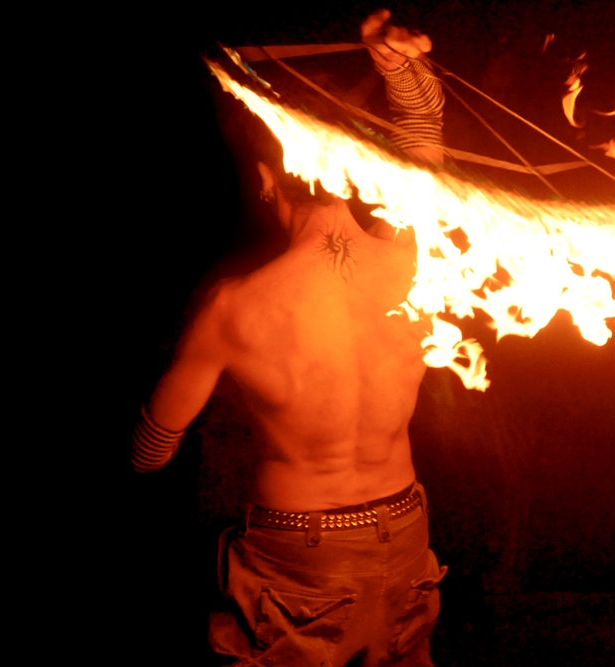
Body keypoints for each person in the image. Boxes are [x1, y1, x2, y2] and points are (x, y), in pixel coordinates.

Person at [132, 10, 449, 666]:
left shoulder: (233, 307)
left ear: (266, 180)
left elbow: (151, 451)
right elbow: (423, 128)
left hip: (299, 553)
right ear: (354, 172)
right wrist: (397, 66)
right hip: (406, 527)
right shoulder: (416, 254)